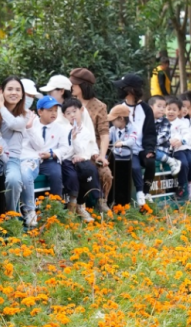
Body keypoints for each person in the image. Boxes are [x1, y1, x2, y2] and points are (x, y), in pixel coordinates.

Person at [20, 95, 73, 226]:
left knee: (56, 174)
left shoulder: (60, 128)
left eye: (55, 110)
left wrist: (52, 154)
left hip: (49, 159)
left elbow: (65, 148)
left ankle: (55, 209)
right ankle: (27, 210)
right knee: (25, 174)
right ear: (40, 111)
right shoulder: (31, 124)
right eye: (50, 110)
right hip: (32, 158)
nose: (53, 113)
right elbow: (25, 144)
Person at [69, 68, 112, 213]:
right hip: (71, 149)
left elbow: (104, 134)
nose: (71, 86)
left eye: (74, 83)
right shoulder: (70, 103)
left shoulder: (99, 106)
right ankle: (77, 205)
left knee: (105, 172)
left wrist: (102, 155)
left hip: (93, 151)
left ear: (83, 85)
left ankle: (102, 203)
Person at [113, 73, 156, 206]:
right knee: (131, 165)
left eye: (123, 87)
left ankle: (146, 192)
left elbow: (150, 132)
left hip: (141, 149)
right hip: (124, 149)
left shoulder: (146, 109)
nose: (120, 89)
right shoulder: (119, 107)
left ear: (131, 90)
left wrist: (149, 149)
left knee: (150, 162)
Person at [0, 76, 35, 216]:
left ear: (22, 94)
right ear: (2, 92)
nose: (14, 92)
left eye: (18, 90)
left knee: (13, 180)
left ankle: (12, 214)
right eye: (10, 89)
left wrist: (1, 106)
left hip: (12, 159)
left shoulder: (25, 114)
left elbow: (13, 124)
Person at [62, 97, 102, 221]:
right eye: (68, 113)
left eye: (74, 111)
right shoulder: (63, 129)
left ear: (81, 110)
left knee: (88, 171)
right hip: (66, 160)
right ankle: (72, 207)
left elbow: (81, 151)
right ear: (64, 116)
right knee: (73, 176)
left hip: (79, 161)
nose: (72, 115)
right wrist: (72, 141)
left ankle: (81, 204)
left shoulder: (85, 131)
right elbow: (64, 151)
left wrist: (74, 140)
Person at [108, 104, 145, 206]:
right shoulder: (113, 129)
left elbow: (132, 140)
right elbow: (107, 138)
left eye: (113, 120)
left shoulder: (133, 128)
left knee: (135, 168)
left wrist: (123, 143)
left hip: (130, 155)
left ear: (121, 119)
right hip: (116, 155)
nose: (111, 122)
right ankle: (109, 196)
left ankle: (140, 192)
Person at [165, 97, 191, 201]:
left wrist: (181, 141)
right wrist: (169, 141)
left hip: (183, 147)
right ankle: (181, 187)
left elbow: (187, 135)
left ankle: (190, 186)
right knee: (183, 163)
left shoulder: (181, 123)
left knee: (190, 162)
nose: (171, 112)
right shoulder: (162, 122)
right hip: (173, 150)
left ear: (179, 112)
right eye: (169, 109)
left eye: (174, 110)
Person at [148, 95, 182, 177]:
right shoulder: (146, 121)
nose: (162, 109)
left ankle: (172, 161)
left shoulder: (165, 121)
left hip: (161, 148)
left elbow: (163, 137)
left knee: (152, 151)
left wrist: (150, 143)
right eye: (159, 106)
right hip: (149, 147)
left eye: (164, 107)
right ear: (151, 107)